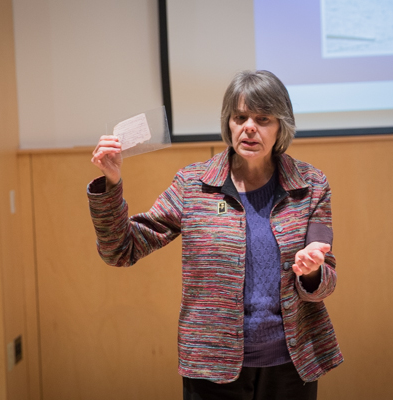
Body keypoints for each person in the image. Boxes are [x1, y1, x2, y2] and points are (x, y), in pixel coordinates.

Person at [88, 70, 343, 400]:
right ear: (229, 123)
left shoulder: (310, 185)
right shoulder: (193, 185)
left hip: (292, 366)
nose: (249, 126)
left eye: (263, 118)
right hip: (211, 367)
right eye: (240, 117)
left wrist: (311, 272)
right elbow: (120, 250)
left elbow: (325, 283)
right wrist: (111, 183)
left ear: (281, 125)